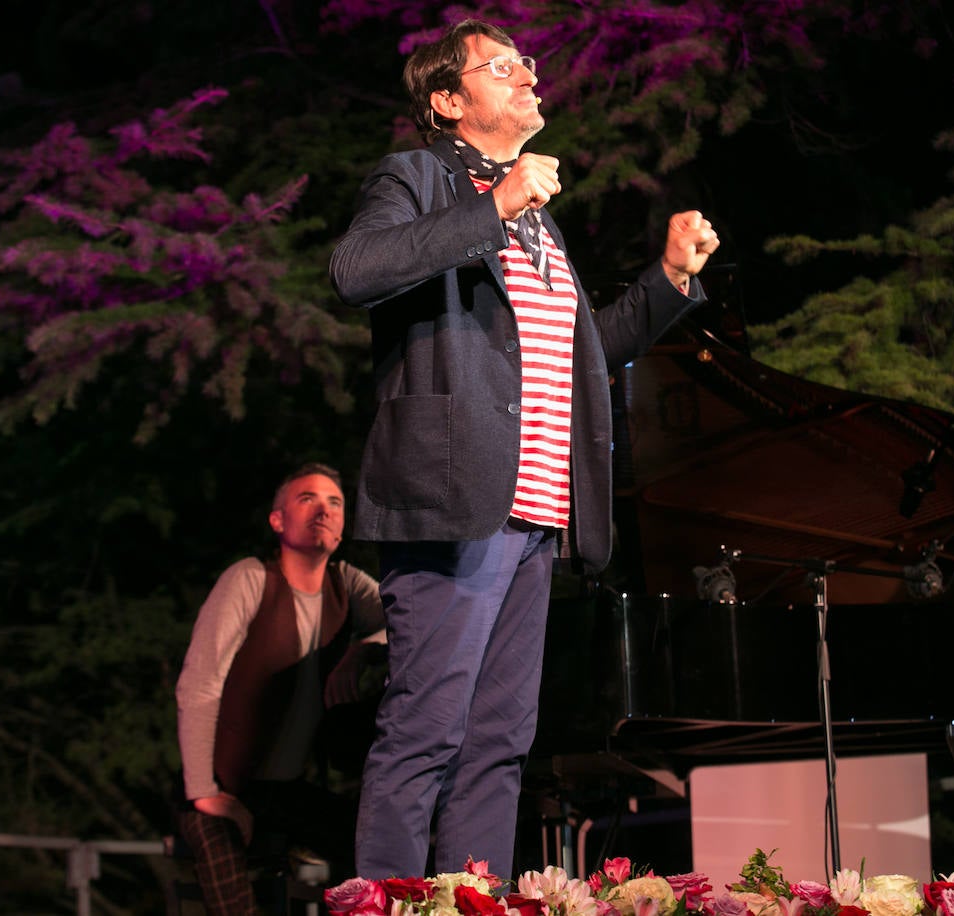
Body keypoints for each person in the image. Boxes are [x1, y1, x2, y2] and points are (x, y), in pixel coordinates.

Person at [329, 18, 720, 881]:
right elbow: (356, 271)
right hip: (454, 500)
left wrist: (668, 279)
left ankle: (473, 901)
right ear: (447, 100)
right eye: (500, 67)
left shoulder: (539, 221)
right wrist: (493, 206)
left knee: (501, 742)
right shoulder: (419, 177)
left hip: (538, 514)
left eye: (526, 63)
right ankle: (386, 905)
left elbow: (588, 349)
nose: (527, 77)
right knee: (426, 726)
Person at [174, 462, 385, 915]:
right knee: (235, 900)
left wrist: (363, 650)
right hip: (220, 787)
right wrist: (205, 792)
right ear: (277, 520)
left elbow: (410, 623)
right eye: (307, 499)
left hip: (286, 790)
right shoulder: (250, 579)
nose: (323, 510)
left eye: (334, 502)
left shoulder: (346, 584)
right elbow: (198, 684)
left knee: (376, 853)